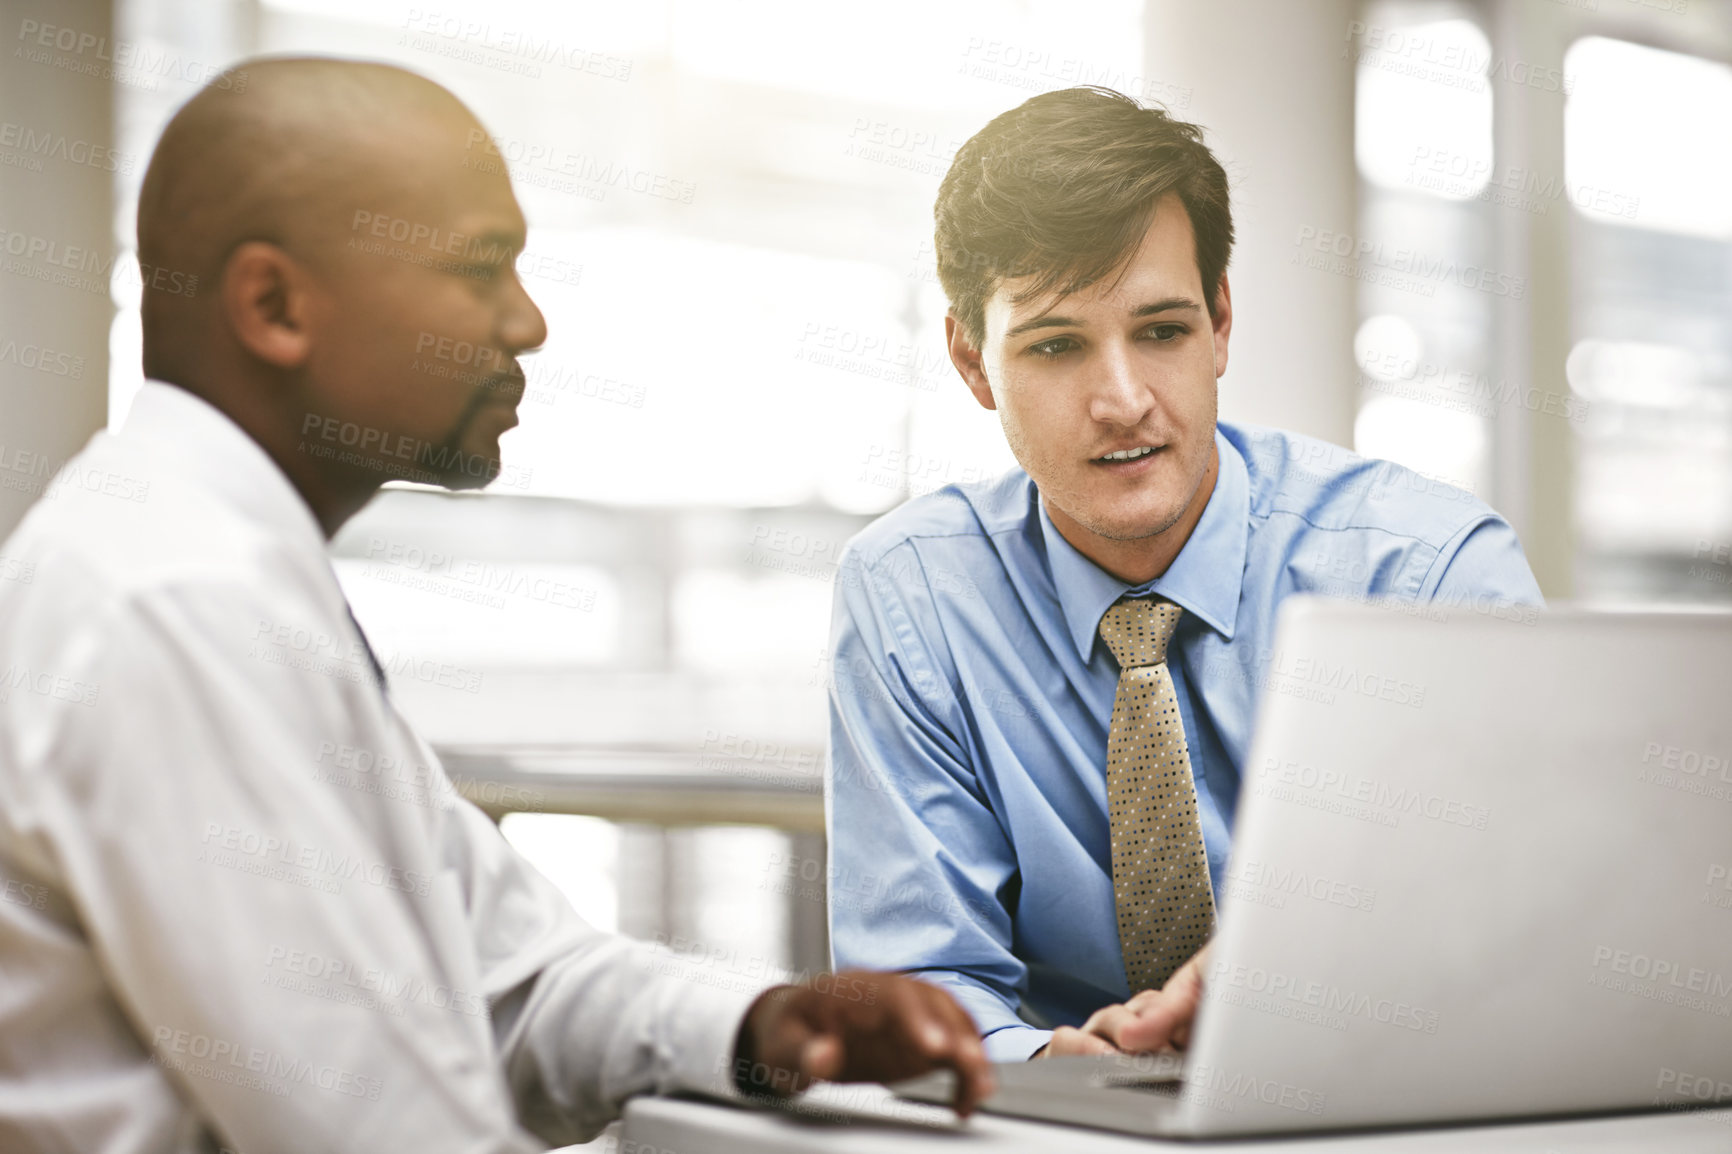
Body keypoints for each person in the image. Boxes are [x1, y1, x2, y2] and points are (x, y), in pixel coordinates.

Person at [0, 58, 990, 1153]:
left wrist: (765, 1022)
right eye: (481, 269)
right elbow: (382, 1126)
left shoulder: (223, 573)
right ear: (274, 305)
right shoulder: (174, 599)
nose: (527, 324)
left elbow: (511, 980)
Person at [825, 86, 1544, 1063]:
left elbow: (1532, 938)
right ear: (972, 360)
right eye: (1055, 345)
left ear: (1218, 324)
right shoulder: (912, 596)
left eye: (1160, 331)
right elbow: (918, 978)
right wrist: (1039, 1064)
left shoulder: (1422, 573)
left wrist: (1298, 986)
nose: (1122, 401)